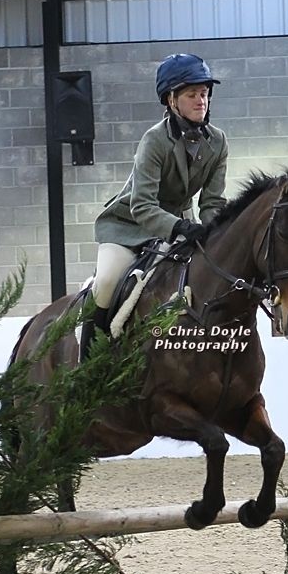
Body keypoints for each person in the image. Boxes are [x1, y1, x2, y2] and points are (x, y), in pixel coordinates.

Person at [79, 52, 228, 360]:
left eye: (204, 93)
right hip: (129, 226)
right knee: (105, 283)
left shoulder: (218, 141)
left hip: (181, 225)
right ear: (171, 100)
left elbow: (212, 202)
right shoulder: (154, 140)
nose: (201, 101)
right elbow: (143, 205)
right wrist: (180, 227)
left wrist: (216, 233)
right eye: (192, 94)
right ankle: (87, 365)